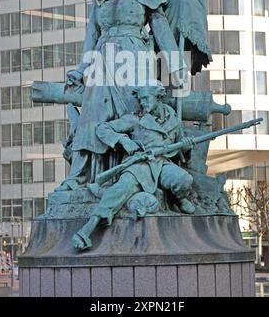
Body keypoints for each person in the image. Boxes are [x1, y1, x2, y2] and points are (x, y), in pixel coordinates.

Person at [57, 0, 184, 191]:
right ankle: (80, 175)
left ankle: (131, 177)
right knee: (90, 117)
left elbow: (163, 35)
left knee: (134, 115)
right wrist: (82, 69)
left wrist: (177, 68)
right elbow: (91, 35)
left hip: (134, 61)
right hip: (102, 61)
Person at [72, 82, 195, 251]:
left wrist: (186, 147)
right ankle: (89, 227)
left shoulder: (174, 120)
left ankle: (180, 198)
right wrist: (124, 140)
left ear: (158, 97)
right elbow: (103, 128)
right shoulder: (135, 118)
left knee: (184, 179)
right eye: (140, 99)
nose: (142, 103)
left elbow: (181, 152)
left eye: (146, 99)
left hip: (162, 164)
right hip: (139, 165)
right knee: (120, 189)